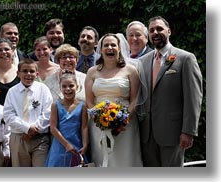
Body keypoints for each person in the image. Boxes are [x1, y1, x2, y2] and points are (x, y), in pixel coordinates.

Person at [138, 16, 203, 167]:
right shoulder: (143, 61)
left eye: (159, 29)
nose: (155, 32)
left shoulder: (185, 58)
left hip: (173, 133)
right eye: (152, 30)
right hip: (147, 134)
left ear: (169, 31)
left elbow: (193, 98)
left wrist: (188, 131)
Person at [85, 33, 143, 167]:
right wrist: (98, 118)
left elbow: (135, 100)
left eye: (113, 45)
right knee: (103, 159)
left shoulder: (131, 71)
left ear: (119, 48)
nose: (109, 47)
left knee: (125, 159)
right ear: (100, 50)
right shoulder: (92, 72)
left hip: (125, 125)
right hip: (99, 124)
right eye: (106, 45)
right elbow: (89, 101)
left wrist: (122, 120)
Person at [3, 58, 53, 167]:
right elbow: (8, 115)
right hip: (19, 138)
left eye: (32, 71)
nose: (28, 74)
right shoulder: (12, 92)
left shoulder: (43, 89)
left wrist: (33, 130)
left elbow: (48, 112)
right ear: (18, 73)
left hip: (39, 137)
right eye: (25, 71)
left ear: (37, 74)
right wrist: (26, 128)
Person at [46, 73, 88, 167]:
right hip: (60, 146)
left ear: (77, 87)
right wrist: (66, 144)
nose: (68, 89)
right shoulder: (55, 105)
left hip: (77, 145)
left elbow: (84, 127)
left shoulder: (82, 106)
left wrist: (85, 145)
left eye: (71, 86)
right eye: (64, 86)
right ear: (60, 88)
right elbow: (53, 128)